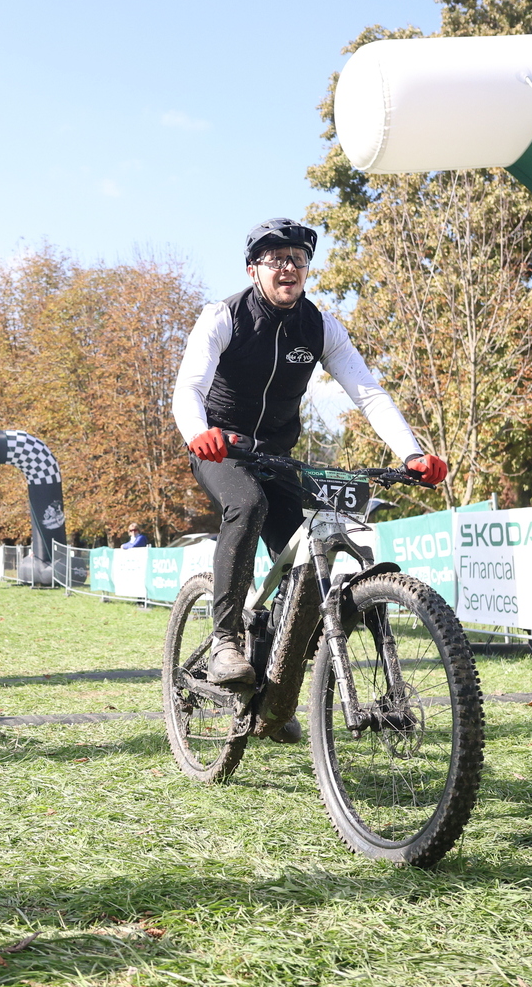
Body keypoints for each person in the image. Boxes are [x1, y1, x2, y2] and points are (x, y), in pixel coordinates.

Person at [172, 219, 448, 708]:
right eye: (276, 259)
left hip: (277, 457)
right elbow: (189, 388)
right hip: (221, 449)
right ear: (254, 269)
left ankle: (272, 695)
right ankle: (224, 642)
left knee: (308, 560)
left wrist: (412, 453)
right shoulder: (224, 317)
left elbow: (368, 393)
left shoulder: (320, 327)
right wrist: (199, 433)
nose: (289, 267)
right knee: (247, 504)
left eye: (298, 259)